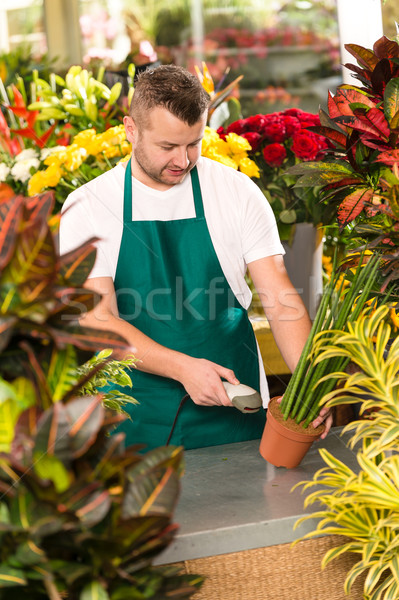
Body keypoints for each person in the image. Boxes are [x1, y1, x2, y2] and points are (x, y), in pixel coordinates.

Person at [59, 64, 332, 451]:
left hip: (234, 413)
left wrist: (310, 388)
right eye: (167, 147)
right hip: (134, 422)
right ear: (130, 130)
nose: (183, 161)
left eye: (193, 143)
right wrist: (183, 368)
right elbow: (97, 319)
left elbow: (279, 297)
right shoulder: (87, 206)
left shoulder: (237, 192)